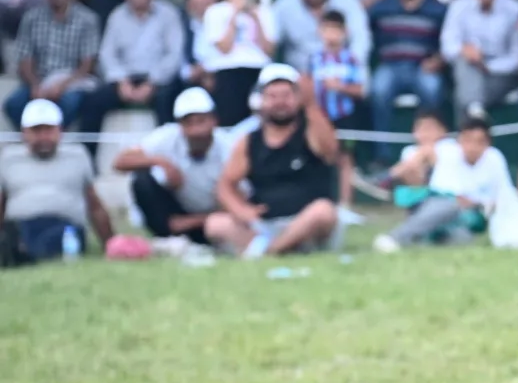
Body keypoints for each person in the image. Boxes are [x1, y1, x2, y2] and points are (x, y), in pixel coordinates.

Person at [205, 64, 341, 257]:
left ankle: (271, 251)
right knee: (215, 224)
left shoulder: (311, 130)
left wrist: (311, 104)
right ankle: (276, 247)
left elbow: (330, 151)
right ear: (262, 100)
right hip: (265, 225)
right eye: (273, 96)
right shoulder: (249, 140)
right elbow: (225, 185)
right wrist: (241, 210)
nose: (280, 102)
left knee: (323, 211)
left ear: (297, 97)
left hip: (306, 223)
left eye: (286, 96)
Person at [112, 86, 232, 243]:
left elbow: (239, 197)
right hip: (176, 210)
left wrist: (193, 221)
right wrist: (160, 162)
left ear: (214, 121)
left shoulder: (229, 147)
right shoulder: (167, 136)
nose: (195, 130)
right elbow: (120, 162)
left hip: (212, 215)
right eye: (189, 123)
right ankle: (165, 236)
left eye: (201, 121)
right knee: (142, 180)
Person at [374, 112, 509, 251]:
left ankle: (413, 237)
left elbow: (498, 199)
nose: (472, 147)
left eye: (479, 142)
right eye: (468, 140)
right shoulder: (447, 150)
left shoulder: (494, 158)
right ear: (460, 139)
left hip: (467, 216)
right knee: (447, 206)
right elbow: (423, 160)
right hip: (436, 203)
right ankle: (395, 237)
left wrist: (472, 202)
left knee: (462, 237)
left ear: (487, 143)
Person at [0, 99, 113, 264]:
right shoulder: (9, 158)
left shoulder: (78, 155)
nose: (43, 137)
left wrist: (110, 244)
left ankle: (24, 255)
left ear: (60, 130)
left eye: (49, 130)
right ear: (24, 132)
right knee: (15, 237)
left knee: (52, 241)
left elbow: (94, 204)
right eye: (36, 130)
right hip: (22, 226)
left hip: (65, 227)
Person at [367, 0, 448, 157]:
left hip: (423, 67)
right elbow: (368, 38)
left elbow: (448, 42)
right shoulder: (380, 8)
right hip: (390, 66)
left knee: (433, 89)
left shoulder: (438, 9)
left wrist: (438, 60)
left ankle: (430, 152)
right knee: (378, 90)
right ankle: (382, 155)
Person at [5, 0, 101, 132]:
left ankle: (53, 143)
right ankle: (32, 141)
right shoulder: (31, 18)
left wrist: (62, 86)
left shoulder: (88, 19)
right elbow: (25, 58)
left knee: (70, 103)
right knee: (13, 105)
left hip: (72, 82)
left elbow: (88, 64)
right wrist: (35, 85)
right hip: (39, 80)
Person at [88, 0, 184, 128]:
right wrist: (121, 81)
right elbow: (107, 54)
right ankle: (87, 152)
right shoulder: (117, 15)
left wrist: (152, 83)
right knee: (93, 101)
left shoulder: (168, 14)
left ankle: (167, 152)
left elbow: (174, 54)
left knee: (169, 100)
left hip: (159, 79)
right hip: (125, 78)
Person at [441, 0, 518, 114]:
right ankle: (476, 114)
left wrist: (487, 66)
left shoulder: (516, 9)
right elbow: (448, 45)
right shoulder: (458, 7)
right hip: (468, 67)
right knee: (465, 68)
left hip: (501, 73)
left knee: (464, 92)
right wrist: (465, 50)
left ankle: (473, 116)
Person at [198, 0, 275, 125]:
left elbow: (269, 49)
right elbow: (224, 47)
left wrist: (255, 17)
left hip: (257, 71)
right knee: (230, 120)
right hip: (228, 72)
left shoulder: (264, 12)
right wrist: (235, 12)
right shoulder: (216, 12)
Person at [308, 11, 367, 206]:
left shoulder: (350, 59)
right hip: (320, 116)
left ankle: (345, 204)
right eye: (327, 29)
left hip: (345, 115)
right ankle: (319, 201)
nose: (331, 34)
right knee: (319, 156)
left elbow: (360, 90)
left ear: (344, 32)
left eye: (336, 30)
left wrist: (340, 87)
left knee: (345, 158)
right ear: (319, 32)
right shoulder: (315, 59)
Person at [273, 0, 371, 71]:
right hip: (299, 74)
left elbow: (360, 38)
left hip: (341, 69)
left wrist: (350, 66)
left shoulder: (347, 1)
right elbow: (271, 40)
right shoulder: (284, 6)